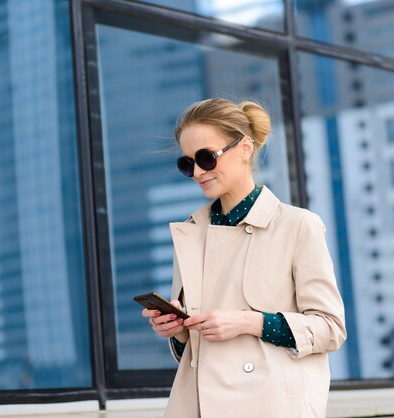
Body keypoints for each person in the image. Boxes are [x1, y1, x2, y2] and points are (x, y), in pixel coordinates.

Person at [141, 98, 346, 417]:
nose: (197, 172)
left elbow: (330, 328)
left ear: (245, 148)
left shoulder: (296, 225)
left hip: (271, 405)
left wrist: (249, 321)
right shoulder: (191, 233)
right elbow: (197, 355)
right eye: (187, 164)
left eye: (206, 158)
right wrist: (179, 330)